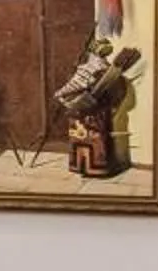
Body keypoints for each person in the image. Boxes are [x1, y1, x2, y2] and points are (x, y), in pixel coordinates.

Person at [57, 40, 144, 179]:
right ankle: (93, 168)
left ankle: (88, 168)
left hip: (93, 112)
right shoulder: (96, 69)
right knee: (92, 138)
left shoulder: (96, 69)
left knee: (93, 139)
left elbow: (66, 92)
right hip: (90, 111)